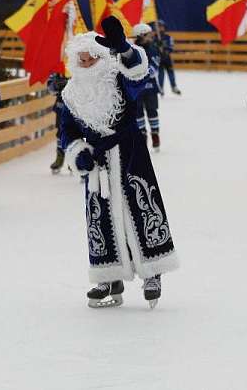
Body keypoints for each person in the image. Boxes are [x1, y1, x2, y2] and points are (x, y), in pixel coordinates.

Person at [60, 16, 179, 309]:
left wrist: (125, 49)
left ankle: (153, 272)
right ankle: (108, 275)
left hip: (130, 152)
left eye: (91, 59)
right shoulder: (71, 94)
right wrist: (78, 153)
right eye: (82, 60)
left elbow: (140, 75)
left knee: (141, 207)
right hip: (98, 162)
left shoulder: (118, 78)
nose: (87, 65)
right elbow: (67, 133)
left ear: (102, 57)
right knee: (100, 218)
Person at [132, 23, 162, 152]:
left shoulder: (153, 49)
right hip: (136, 89)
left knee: (152, 111)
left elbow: (154, 69)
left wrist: (139, 73)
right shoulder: (133, 50)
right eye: (149, 34)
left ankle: (155, 134)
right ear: (142, 35)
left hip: (150, 88)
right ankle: (142, 136)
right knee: (138, 113)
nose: (152, 36)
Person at [47, 72, 69, 174]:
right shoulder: (57, 69)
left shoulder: (80, 62)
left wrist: (70, 83)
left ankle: (76, 159)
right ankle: (60, 157)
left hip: (77, 106)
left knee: (78, 132)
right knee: (61, 133)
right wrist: (56, 85)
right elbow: (50, 87)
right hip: (61, 107)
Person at [154, 20, 181, 95]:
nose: (160, 29)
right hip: (159, 59)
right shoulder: (154, 38)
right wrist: (157, 46)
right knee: (161, 73)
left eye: (161, 27)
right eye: (158, 27)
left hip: (167, 58)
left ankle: (173, 86)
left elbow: (171, 46)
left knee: (171, 72)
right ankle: (160, 88)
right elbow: (152, 48)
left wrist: (166, 50)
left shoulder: (168, 37)